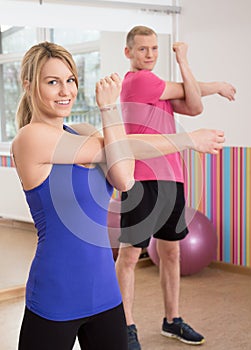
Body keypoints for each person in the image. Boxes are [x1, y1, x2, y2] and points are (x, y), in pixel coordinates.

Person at [11, 41, 225, 350]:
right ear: (29, 85)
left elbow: (124, 178)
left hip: (106, 294)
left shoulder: (81, 129)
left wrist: (189, 139)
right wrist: (111, 110)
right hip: (56, 294)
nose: (65, 91)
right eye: (52, 82)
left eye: (70, 80)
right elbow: (113, 147)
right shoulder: (29, 138)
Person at [115, 25, 236, 350]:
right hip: (142, 177)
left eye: (154, 49)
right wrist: (201, 73)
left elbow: (194, 105)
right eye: (142, 49)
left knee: (171, 252)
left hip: (172, 177)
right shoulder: (139, 81)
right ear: (128, 53)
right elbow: (190, 91)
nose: (150, 55)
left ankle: (172, 320)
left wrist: (187, 66)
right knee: (129, 256)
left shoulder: (159, 93)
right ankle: (124, 326)